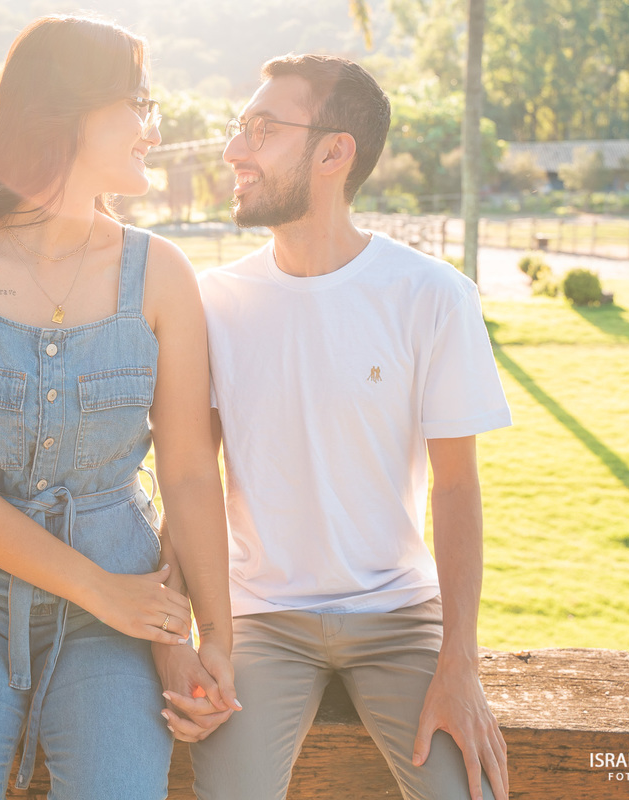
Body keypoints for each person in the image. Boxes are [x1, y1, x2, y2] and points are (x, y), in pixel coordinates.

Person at [0, 14, 236, 800]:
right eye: (137, 102)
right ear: (69, 111)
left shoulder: (161, 273)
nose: (152, 125)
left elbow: (187, 472)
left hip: (118, 620)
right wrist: (101, 586)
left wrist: (213, 638)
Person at [153, 54, 512, 800]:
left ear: (333, 151)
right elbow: (190, 481)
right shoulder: (213, 301)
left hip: (399, 616)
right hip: (258, 620)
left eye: (260, 129)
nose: (232, 151)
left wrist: (460, 664)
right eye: (237, 128)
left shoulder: (433, 296)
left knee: (470, 793)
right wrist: (177, 643)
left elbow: (456, 488)